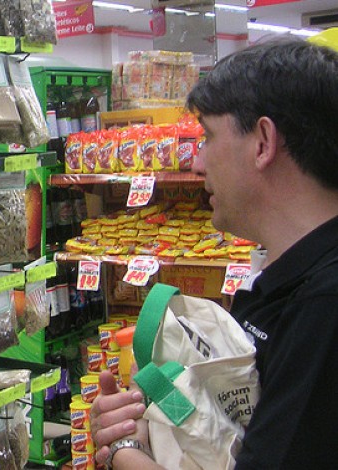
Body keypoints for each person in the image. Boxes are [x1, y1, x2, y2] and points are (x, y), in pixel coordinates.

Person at [90, 38, 338, 469]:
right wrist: (158, 418)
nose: (197, 164)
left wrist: (124, 452)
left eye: (207, 137)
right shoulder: (289, 283)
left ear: (263, 142)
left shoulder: (324, 308)